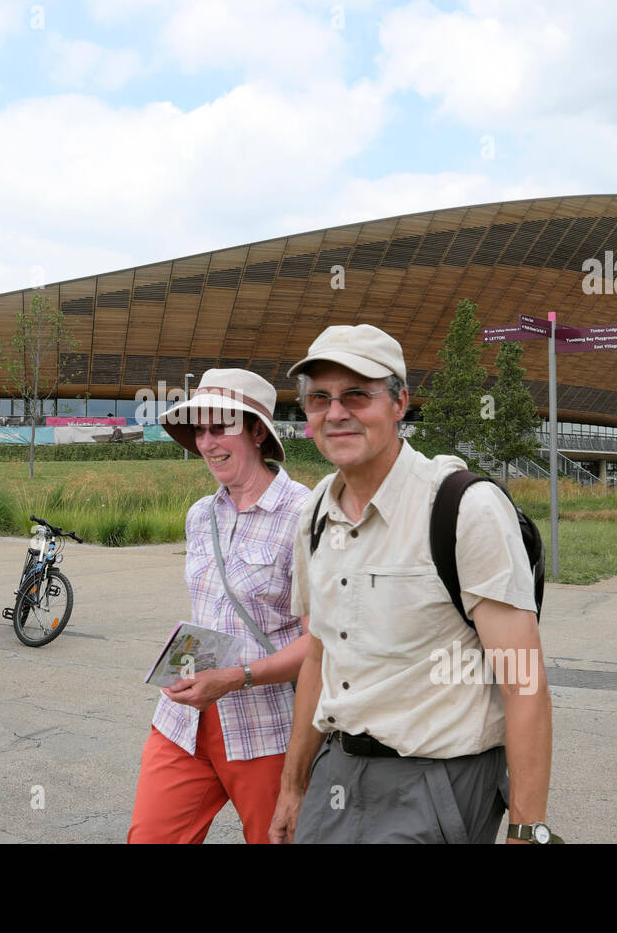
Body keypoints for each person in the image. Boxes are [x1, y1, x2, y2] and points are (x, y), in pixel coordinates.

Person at [267, 324, 556, 844]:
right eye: (319, 398)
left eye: (357, 394)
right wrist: (292, 786)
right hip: (336, 773)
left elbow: (524, 681)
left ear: (400, 402)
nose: (336, 413)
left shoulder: (463, 507)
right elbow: (318, 655)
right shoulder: (313, 512)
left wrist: (527, 829)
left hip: (436, 780)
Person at [127, 369, 310, 844]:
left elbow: (322, 645)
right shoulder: (200, 513)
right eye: (200, 431)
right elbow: (211, 610)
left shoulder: (306, 516)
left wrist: (234, 678)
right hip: (183, 720)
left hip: (268, 728)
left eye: (220, 427)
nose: (207, 443)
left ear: (256, 431)